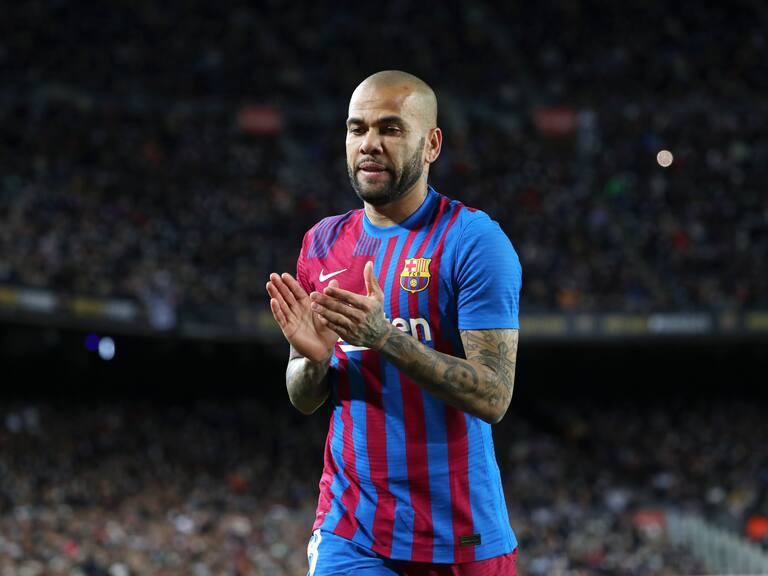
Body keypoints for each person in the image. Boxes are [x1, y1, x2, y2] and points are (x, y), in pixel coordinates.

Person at [266, 70, 522, 576]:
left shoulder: (473, 241)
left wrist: (384, 338)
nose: (369, 144)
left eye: (390, 128)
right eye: (356, 128)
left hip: (461, 536)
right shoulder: (321, 242)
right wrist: (313, 361)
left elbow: (494, 396)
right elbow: (303, 395)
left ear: (432, 144)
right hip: (351, 531)